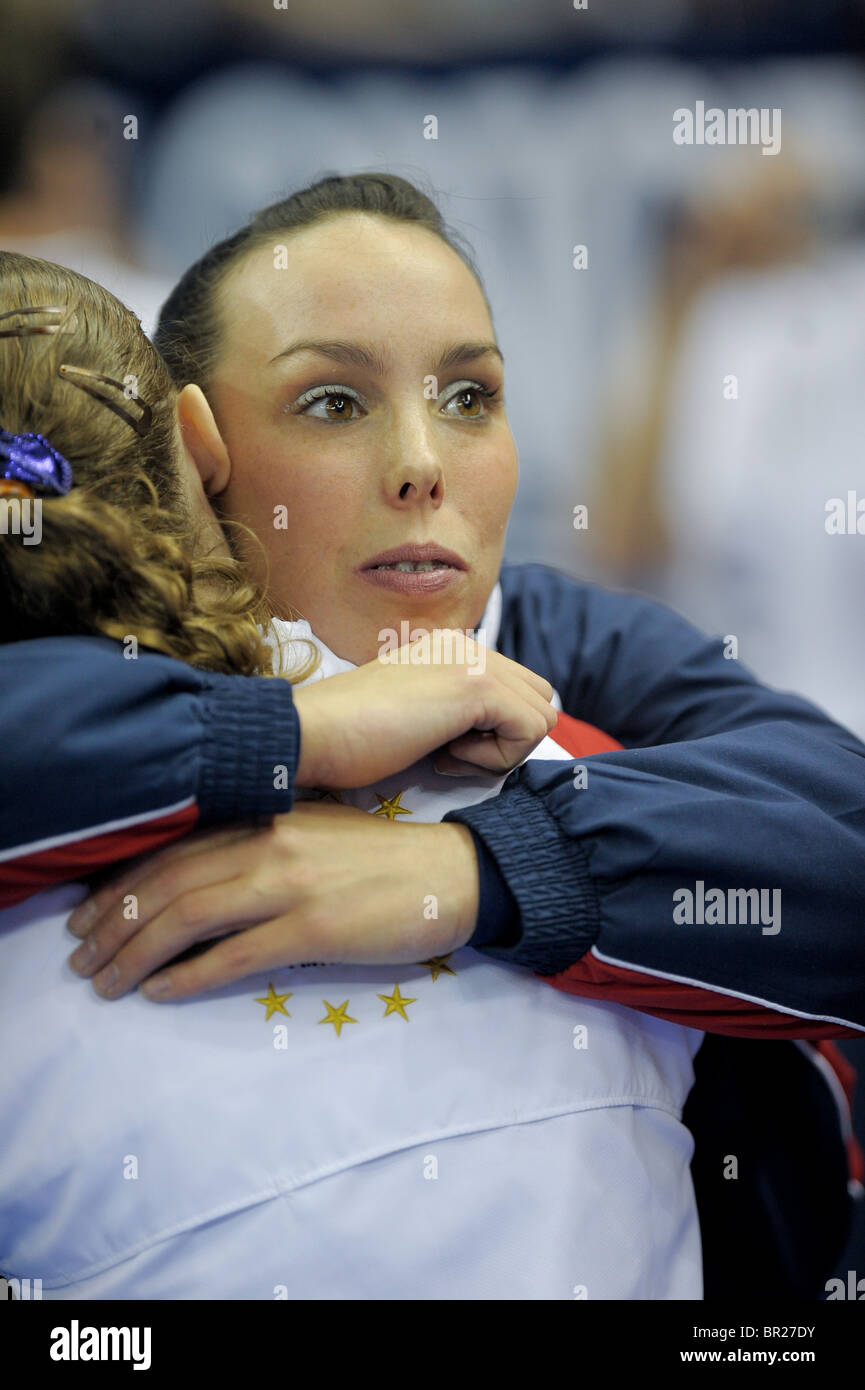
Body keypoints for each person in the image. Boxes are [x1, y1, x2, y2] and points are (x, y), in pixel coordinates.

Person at [1, 169, 862, 1294]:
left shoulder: (564, 662)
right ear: (199, 450)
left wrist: (475, 871)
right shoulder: (61, 695)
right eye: (333, 402)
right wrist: (287, 732)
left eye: (469, 396)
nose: (424, 463)